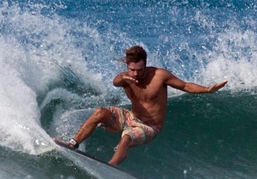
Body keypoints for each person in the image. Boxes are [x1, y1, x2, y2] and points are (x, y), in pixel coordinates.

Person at [59, 45, 227, 166]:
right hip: (130, 117)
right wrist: (125, 78)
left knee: (126, 139)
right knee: (99, 113)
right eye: (132, 69)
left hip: (150, 126)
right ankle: (72, 143)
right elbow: (116, 81)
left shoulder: (160, 76)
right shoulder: (126, 77)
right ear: (127, 66)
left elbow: (185, 86)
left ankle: (110, 167)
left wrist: (207, 90)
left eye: (139, 70)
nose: (136, 74)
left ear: (145, 64)